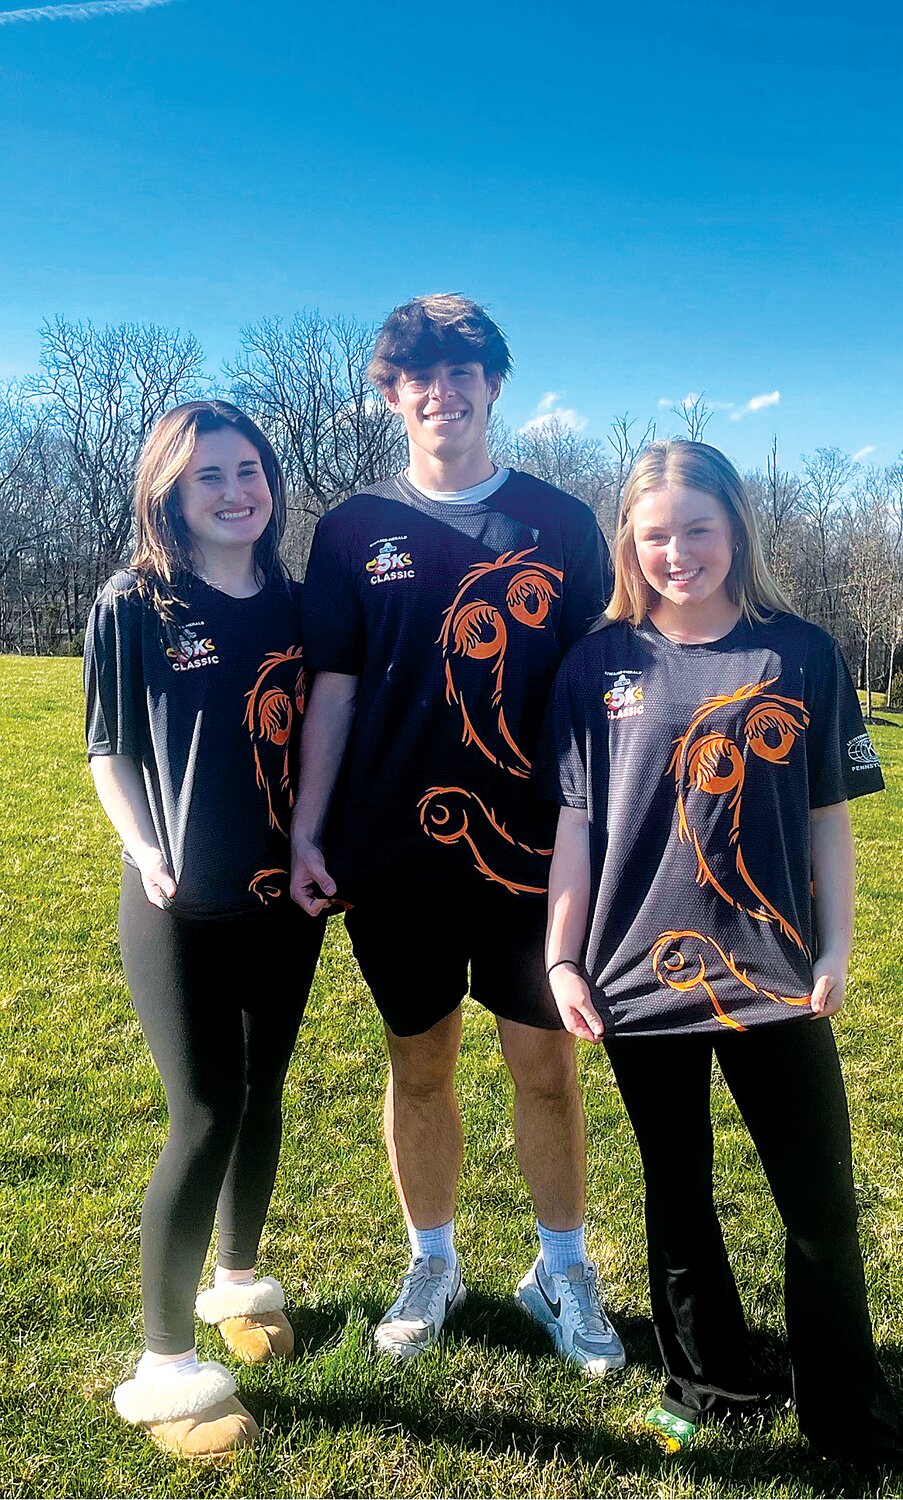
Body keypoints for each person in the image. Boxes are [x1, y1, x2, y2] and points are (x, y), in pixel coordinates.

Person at [538, 438, 903, 1464]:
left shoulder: (804, 654)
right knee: (678, 1188)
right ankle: (713, 1385)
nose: (678, 553)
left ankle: (847, 1411)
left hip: (776, 977)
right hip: (636, 978)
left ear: (736, 527)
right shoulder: (595, 663)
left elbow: (832, 815)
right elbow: (577, 825)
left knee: (819, 1202)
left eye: (698, 529)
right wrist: (562, 961)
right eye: (655, 535)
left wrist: (836, 946)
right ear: (629, 545)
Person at [291, 294, 625, 1373]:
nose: (444, 390)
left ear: (494, 384)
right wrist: (310, 830)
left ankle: (559, 1269)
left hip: (536, 856)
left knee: (544, 1067)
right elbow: (332, 691)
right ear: (390, 393)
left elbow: (597, 695)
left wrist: (612, 831)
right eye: (419, 375)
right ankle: (432, 1261)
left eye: (464, 369)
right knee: (419, 1063)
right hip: (393, 853)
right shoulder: (348, 531)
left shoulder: (562, 526)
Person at [84, 401, 325, 1460]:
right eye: (209, 477)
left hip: (288, 899)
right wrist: (146, 849)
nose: (238, 491)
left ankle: (239, 1281)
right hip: (177, 902)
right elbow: (108, 748)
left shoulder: (301, 605)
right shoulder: (133, 603)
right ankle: (166, 1366)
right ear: (168, 496)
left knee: (264, 1089)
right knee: (204, 1110)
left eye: (250, 470)